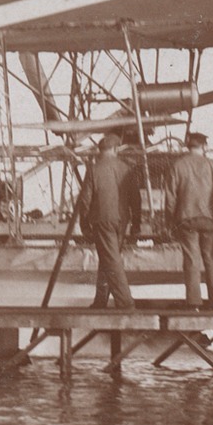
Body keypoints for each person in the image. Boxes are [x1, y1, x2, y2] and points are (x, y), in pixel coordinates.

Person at [76, 133, 136, 310]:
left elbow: (85, 199)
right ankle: (100, 300)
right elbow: (136, 198)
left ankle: (125, 302)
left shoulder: (94, 170)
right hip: (121, 220)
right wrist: (137, 222)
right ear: (116, 149)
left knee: (111, 259)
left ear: (101, 151)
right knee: (108, 257)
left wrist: (84, 223)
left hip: (103, 219)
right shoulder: (127, 168)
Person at [165, 132, 213, 309]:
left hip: (186, 218)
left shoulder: (178, 165)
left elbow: (170, 196)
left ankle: (194, 302)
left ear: (188, 146)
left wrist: (169, 221)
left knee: (191, 259)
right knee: (211, 259)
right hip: (209, 219)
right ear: (204, 146)